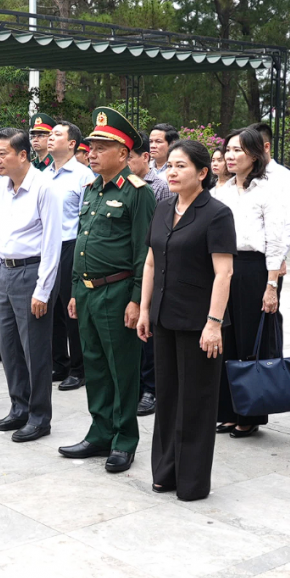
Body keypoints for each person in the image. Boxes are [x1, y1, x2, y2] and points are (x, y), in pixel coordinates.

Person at [138, 139, 235, 500]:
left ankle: (192, 481)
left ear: (203, 172)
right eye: (171, 166)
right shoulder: (163, 207)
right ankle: (165, 472)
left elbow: (224, 273)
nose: (173, 172)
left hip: (199, 322)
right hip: (164, 317)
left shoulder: (217, 213)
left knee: (196, 401)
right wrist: (144, 310)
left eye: (182, 166)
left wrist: (214, 323)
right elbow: (151, 262)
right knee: (167, 398)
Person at [61, 108, 155, 473]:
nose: (92, 152)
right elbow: (82, 243)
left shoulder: (138, 193)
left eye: (102, 147)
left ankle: (124, 440)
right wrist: (75, 290)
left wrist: (136, 300)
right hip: (87, 292)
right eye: (91, 146)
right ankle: (99, 432)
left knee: (122, 369)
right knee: (95, 366)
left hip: (117, 293)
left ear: (124, 152)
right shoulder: (91, 190)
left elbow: (144, 253)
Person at [0, 129, 62, 442]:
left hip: (32, 273)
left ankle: (39, 416)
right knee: (9, 347)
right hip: (6, 272)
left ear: (22, 155)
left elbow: (52, 242)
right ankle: (19, 407)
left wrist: (43, 290)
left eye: (3, 153)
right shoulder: (0, 187)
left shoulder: (44, 187)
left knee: (35, 350)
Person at [211, 128, 285, 437]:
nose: (230, 156)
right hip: (223, 268)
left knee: (251, 342)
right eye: (227, 150)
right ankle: (228, 411)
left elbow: (276, 241)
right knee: (225, 341)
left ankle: (250, 413)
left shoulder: (267, 191)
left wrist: (271, 286)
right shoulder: (220, 192)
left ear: (254, 155)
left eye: (237, 150)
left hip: (254, 270)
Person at [46, 120, 95, 392]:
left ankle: (79, 368)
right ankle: (58, 363)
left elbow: (86, 218)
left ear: (72, 143)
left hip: (71, 245)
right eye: (50, 134)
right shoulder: (43, 174)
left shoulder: (83, 175)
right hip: (46, 247)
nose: (50, 138)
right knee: (50, 306)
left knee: (70, 307)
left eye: (57, 134)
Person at [127, 133, 172, 416]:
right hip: (130, 264)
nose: (127, 162)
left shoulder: (160, 187)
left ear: (145, 158)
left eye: (130, 157)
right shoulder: (122, 185)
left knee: (148, 332)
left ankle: (151, 389)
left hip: (153, 263)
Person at [253, 122, 290, 264]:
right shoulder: (242, 176)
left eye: (251, 147)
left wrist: (278, 257)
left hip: (270, 258)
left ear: (266, 147)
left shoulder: (284, 178)